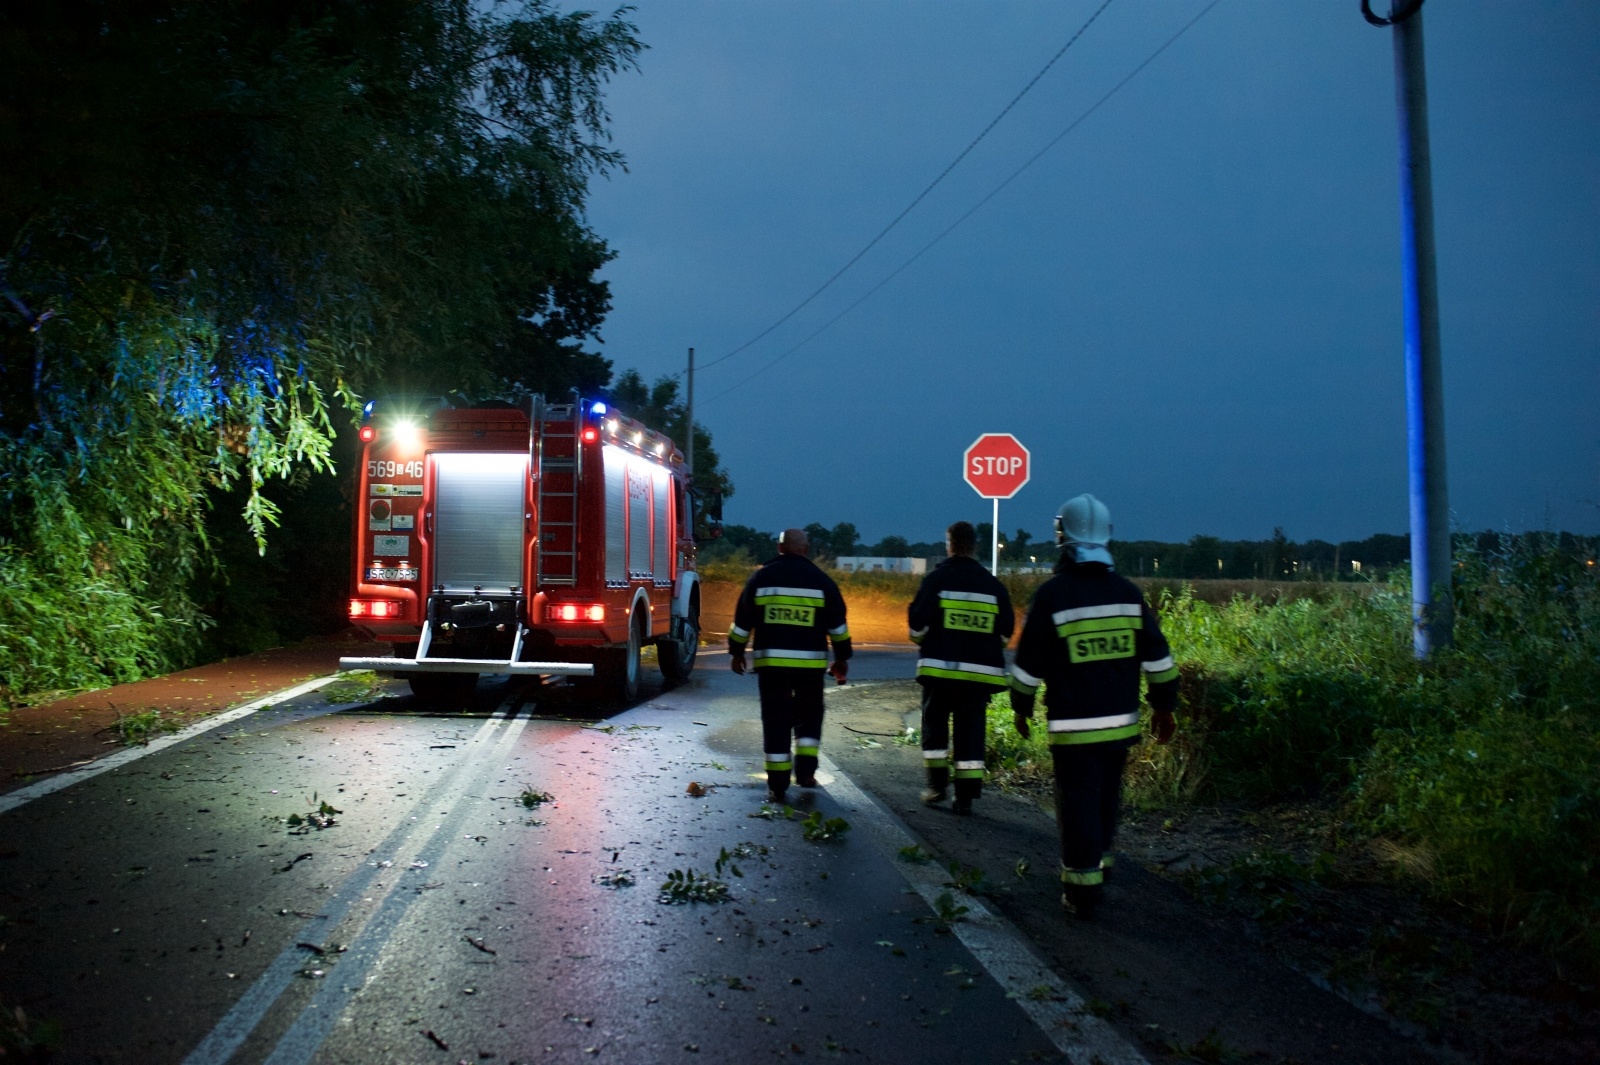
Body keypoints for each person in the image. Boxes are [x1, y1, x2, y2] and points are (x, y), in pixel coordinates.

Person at [1009, 494, 1179, 918]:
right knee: (1106, 800)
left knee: (1078, 803)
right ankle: (1099, 868)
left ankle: (1082, 892)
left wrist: (1021, 707)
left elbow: (1029, 665)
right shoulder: (1129, 595)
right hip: (1120, 727)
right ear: (1106, 537)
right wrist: (1164, 708)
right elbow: (1160, 661)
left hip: (1073, 727)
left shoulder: (1052, 596)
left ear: (1061, 537)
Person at [728, 528, 852, 804]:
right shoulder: (822, 581)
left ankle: (777, 786)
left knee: (775, 722)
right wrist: (842, 657)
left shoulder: (761, 578)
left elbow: (742, 621)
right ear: (805, 550)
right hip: (809, 669)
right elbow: (838, 627)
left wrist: (736, 652)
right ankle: (806, 774)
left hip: (772, 668)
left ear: (780, 547)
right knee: (809, 718)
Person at [907, 520, 1014, 814]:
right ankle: (965, 798)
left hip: (940, 674)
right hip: (977, 678)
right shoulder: (993, 585)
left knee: (935, 729)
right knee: (971, 733)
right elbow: (1006, 632)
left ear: (949, 544)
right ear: (975, 546)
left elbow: (917, 628)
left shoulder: (936, 580)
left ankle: (936, 787)